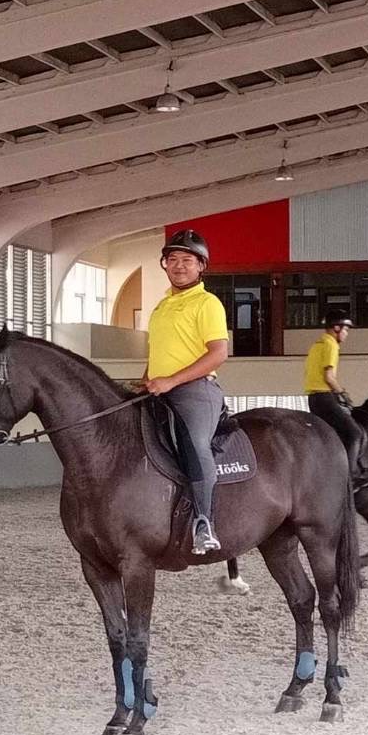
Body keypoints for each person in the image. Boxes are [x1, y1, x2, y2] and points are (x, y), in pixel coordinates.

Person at [143, 230, 230, 554]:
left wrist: (171, 380)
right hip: (159, 388)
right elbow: (160, 352)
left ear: (201, 266)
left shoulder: (207, 303)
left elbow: (218, 354)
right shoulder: (162, 306)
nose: (179, 266)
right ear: (165, 264)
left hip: (195, 390)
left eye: (187, 260)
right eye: (173, 259)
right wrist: (146, 379)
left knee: (194, 443)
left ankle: (204, 522)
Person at [304, 310, 368, 491]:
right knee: (355, 433)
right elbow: (329, 376)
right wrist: (342, 393)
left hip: (314, 398)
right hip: (325, 397)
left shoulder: (316, 345)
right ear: (336, 328)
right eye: (346, 329)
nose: (346, 334)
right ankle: (350, 478)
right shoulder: (331, 345)